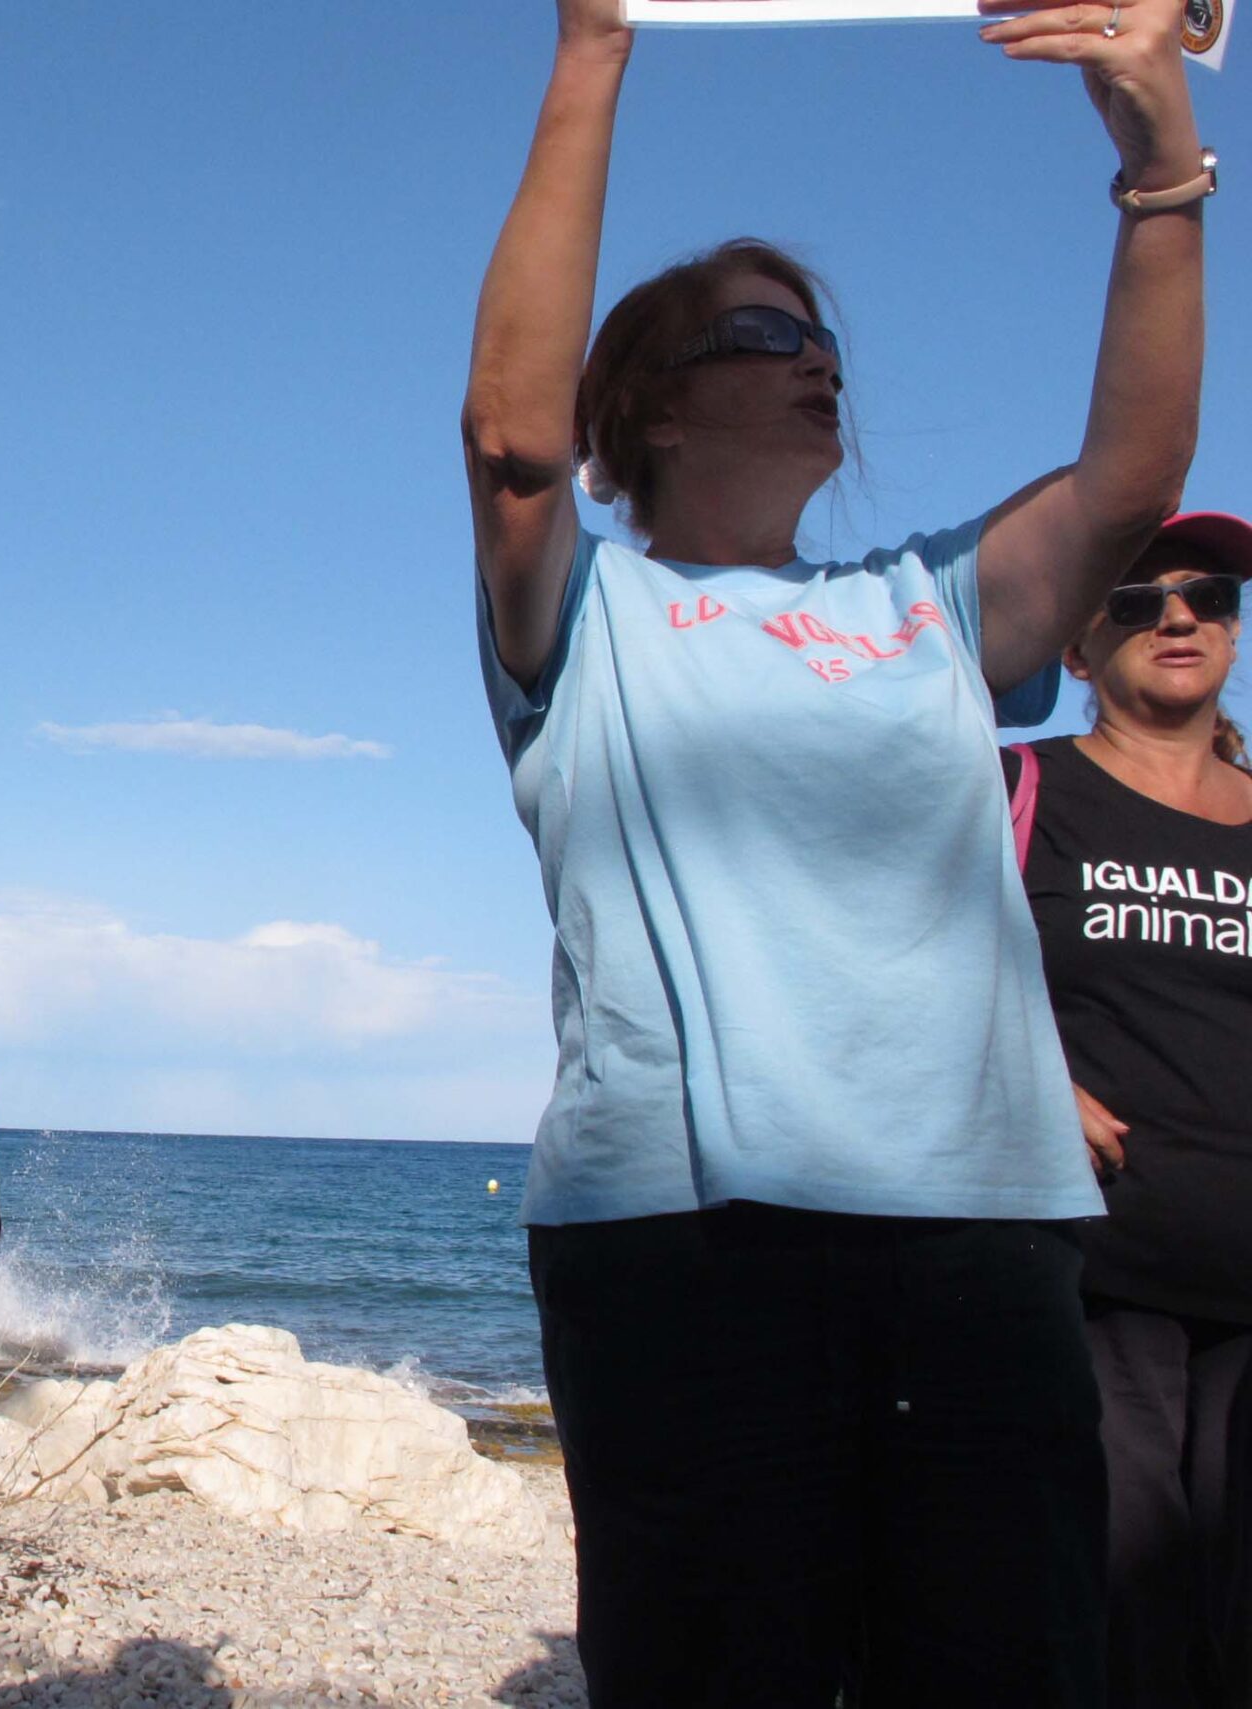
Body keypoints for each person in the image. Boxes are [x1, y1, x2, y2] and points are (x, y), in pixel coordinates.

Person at [461, 2, 1206, 1702]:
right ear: (643, 400)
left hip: (985, 1235)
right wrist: (595, 49)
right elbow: (508, 438)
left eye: (823, 344)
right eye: (757, 330)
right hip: (685, 1240)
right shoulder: (589, 614)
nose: (815, 360)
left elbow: (1135, 473)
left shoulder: (925, 607)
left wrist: (1163, 175)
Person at [1009, 511, 1252, 1709]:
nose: (1178, 615)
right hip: (1093, 1267)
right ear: (1072, 642)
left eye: (1210, 594)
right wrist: (1023, 1071)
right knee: (1126, 1601)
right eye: (1135, 598)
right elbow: (891, 968)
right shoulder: (1016, 787)